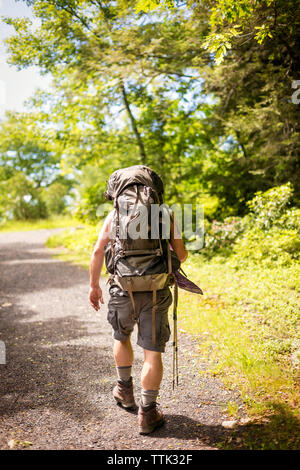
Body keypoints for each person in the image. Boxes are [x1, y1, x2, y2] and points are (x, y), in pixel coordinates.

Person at [89, 169, 188, 435]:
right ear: (154, 190)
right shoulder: (165, 214)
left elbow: (99, 250)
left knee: (121, 337)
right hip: (156, 290)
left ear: (118, 193)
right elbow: (181, 254)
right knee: (152, 352)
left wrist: (93, 286)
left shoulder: (114, 215)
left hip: (122, 287)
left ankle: (124, 390)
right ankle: (147, 412)